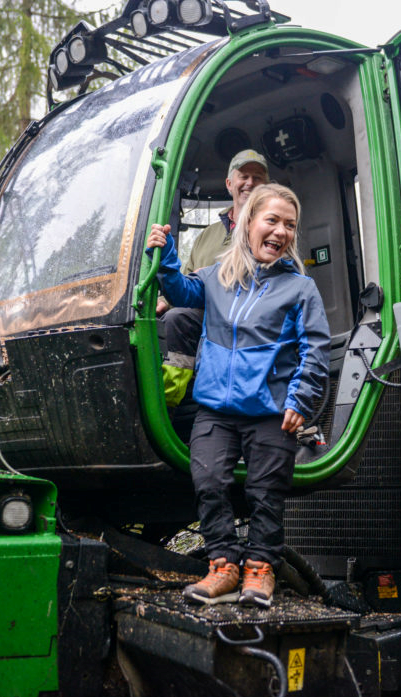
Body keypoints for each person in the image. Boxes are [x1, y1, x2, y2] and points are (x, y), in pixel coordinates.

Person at [146, 183, 330, 608]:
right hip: (216, 409)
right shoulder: (216, 277)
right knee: (208, 480)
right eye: (272, 220)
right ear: (248, 224)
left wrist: (300, 400)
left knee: (266, 490)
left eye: (289, 225)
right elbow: (179, 293)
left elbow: (315, 348)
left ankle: (260, 570)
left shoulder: (300, 289)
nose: (281, 231)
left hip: (270, 411)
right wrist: (166, 253)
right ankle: (224, 566)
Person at [157, 149, 270, 407]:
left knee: (179, 320)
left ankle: (168, 406)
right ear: (230, 184)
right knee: (166, 318)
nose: (250, 182)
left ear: (266, 187)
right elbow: (187, 279)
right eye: (243, 176)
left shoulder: (272, 230)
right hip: (203, 315)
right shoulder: (207, 235)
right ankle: (170, 405)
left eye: (257, 177)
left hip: (245, 319)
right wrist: (165, 300)